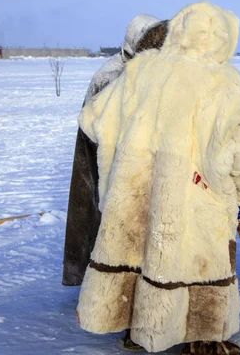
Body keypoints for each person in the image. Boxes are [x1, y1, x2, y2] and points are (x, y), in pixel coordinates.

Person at [75, 2, 240, 354]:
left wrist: (134, 157)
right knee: (196, 261)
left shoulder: (141, 70)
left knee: (145, 251)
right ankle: (203, 340)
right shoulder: (225, 81)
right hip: (199, 192)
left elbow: (93, 120)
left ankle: (141, 329)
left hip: (137, 193)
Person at [62, 15, 169, 286]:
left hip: (135, 165)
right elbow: (99, 126)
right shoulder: (111, 75)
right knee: (103, 226)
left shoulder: (149, 75)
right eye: (151, 45)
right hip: (105, 164)